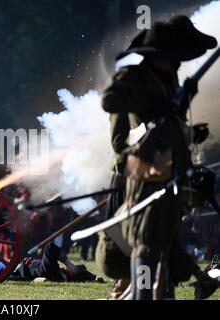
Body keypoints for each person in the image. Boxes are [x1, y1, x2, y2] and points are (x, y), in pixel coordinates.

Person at [101, 15, 218, 299]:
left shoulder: (165, 82)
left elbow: (169, 129)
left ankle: (160, 291)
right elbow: (110, 101)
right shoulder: (134, 79)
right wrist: (157, 105)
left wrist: (186, 124)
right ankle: (141, 292)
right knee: (146, 244)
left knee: (165, 245)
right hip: (146, 177)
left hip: (168, 176)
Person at [0, 242, 103, 283]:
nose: (74, 267)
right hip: (17, 268)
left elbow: (50, 247)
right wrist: (95, 278)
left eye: (75, 269)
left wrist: (67, 262)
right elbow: (83, 271)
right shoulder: (56, 275)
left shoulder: (51, 271)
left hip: (12, 270)